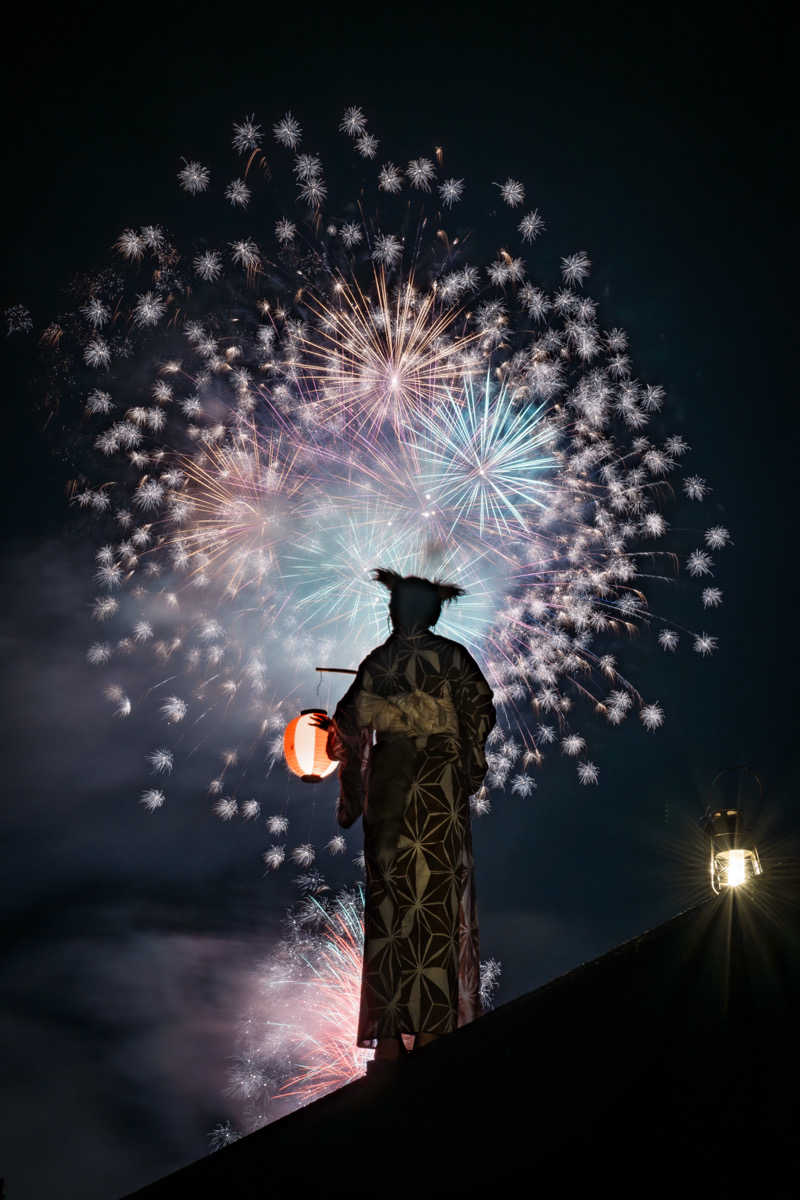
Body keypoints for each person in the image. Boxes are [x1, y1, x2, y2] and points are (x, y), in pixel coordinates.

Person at [313, 568, 496, 1073]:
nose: (396, 616)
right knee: (433, 904)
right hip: (437, 791)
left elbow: (346, 728)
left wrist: (352, 796)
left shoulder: (378, 663)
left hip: (392, 794)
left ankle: (392, 1039)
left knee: (392, 911)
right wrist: (461, 759)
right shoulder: (452, 659)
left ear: (403, 612)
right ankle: (434, 1030)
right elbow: (480, 709)